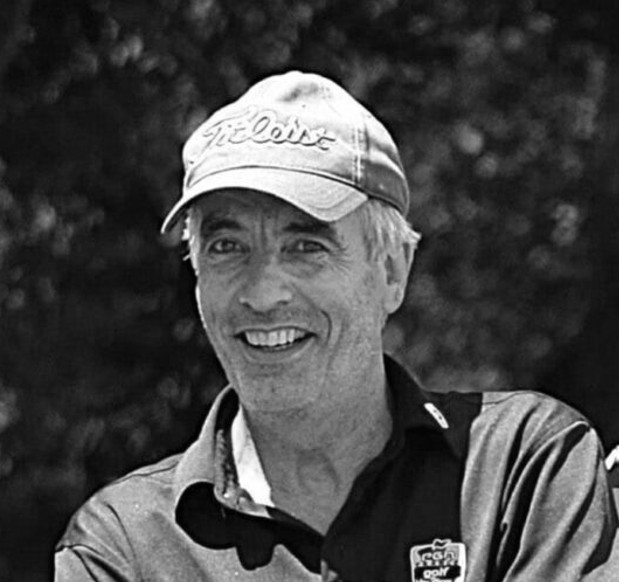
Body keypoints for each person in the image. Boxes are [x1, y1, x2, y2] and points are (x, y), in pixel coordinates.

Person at [54, 71, 619, 582]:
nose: (262, 293)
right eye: (227, 246)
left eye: (306, 246)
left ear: (391, 272)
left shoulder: (518, 470)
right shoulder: (122, 548)